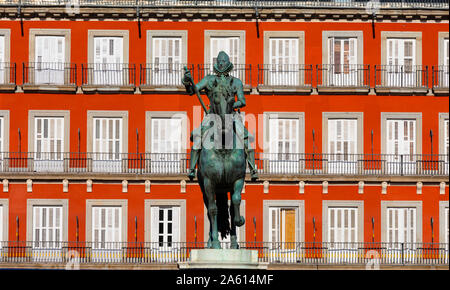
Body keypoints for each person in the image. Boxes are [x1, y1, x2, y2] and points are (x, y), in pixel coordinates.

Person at [182, 51, 258, 181]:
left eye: (224, 61)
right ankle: (192, 169)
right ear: (216, 63)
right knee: (198, 138)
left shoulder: (236, 82)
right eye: (219, 61)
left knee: (246, 140)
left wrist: (232, 105)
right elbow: (192, 91)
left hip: (232, 116)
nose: (221, 64)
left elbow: (242, 101)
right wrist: (187, 81)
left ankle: (253, 169)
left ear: (228, 63)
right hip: (212, 115)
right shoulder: (209, 79)